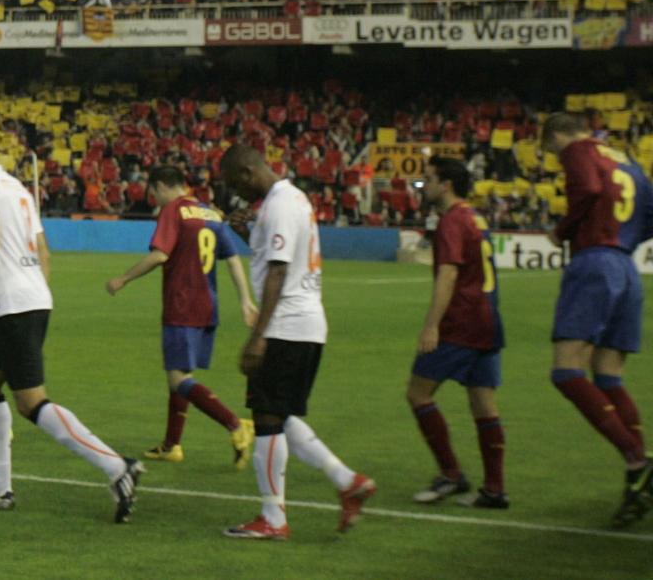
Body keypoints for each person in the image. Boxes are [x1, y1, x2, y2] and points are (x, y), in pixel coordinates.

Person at [0, 128, 140, 519]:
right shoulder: (15, 185)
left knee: (31, 402)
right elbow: (44, 250)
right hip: (26, 298)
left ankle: (118, 467)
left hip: (16, 303)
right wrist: (35, 293)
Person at [218, 145, 375, 541]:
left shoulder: (280, 204)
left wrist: (258, 337)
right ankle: (346, 480)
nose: (237, 194)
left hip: (287, 325)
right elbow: (276, 255)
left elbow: (278, 271)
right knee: (280, 415)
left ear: (247, 171)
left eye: (235, 183)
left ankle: (273, 518)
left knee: (267, 419)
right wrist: (248, 232)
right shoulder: (291, 200)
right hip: (304, 324)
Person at [539, 113, 652, 526]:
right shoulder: (625, 160)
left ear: (556, 135)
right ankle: (637, 484)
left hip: (594, 263)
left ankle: (637, 460)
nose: (556, 156)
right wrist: (621, 241)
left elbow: (585, 189)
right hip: (626, 266)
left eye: (552, 149)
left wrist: (563, 230)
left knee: (567, 372)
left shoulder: (578, 151)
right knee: (608, 376)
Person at [105, 164, 258, 466]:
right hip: (208, 307)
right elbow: (232, 258)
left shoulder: (173, 211)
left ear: (162, 186)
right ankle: (172, 444)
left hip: (182, 305)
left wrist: (122, 279)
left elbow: (160, 255)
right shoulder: (210, 213)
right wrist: (245, 300)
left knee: (179, 379)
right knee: (178, 375)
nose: (154, 199)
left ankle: (236, 424)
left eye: (153, 192)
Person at [406, 156, 508, 509]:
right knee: (483, 404)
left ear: (446, 184)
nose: (425, 185)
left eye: (429, 178)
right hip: (487, 321)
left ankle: (451, 474)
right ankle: (495, 489)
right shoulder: (476, 217)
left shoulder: (452, 221)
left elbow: (448, 276)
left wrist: (432, 325)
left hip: (460, 324)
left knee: (418, 393)